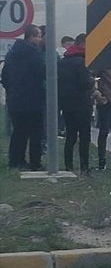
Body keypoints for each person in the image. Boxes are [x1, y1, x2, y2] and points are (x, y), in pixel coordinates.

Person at [1, 25, 46, 170]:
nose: (40, 39)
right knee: (35, 133)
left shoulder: (12, 53)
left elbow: (5, 76)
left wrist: (12, 90)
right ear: (31, 37)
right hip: (33, 99)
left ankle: (16, 161)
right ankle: (35, 163)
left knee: (19, 132)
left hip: (15, 99)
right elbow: (42, 74)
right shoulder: (34, 54)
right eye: (38, 36)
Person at [57, 34, 94, 173]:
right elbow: (84, 83)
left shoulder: (62, 62)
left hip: (66, 104)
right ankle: (84, 167)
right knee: (84, 136)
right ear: (83, 44)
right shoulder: (82, 62)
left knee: (70, 136)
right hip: (82, 104)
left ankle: (68, 166)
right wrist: (92, 81)